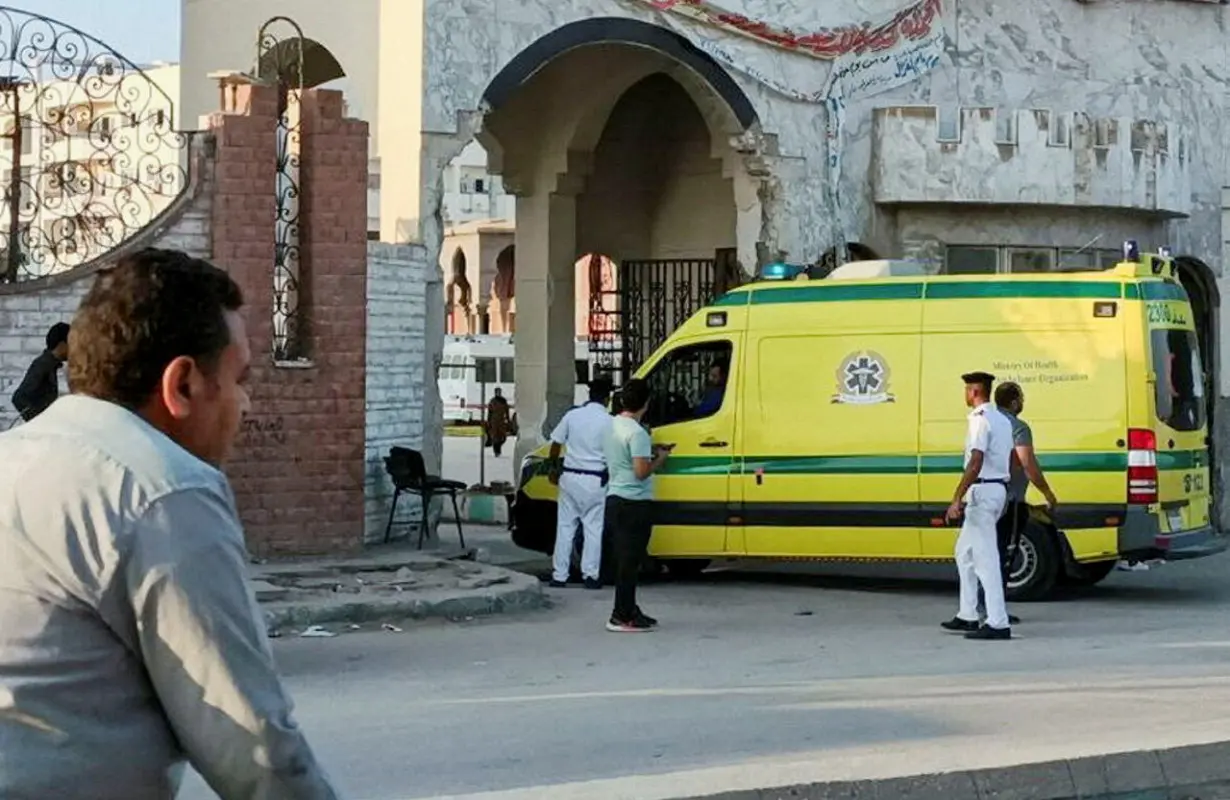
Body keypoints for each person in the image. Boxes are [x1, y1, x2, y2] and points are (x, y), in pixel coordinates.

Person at [0, 248, 338, 799]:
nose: (246, 403)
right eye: (240, 378)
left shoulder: (15, 456)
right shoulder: (164, 489)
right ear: (182, 385)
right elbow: (252, 748)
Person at [941, 371, 1015, 641]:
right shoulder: (1002, 420)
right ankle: (968, 614)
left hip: (982, 491)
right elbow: (1011, 458)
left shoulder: (979, 421)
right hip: (995, 489)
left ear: (973, 392)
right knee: (964, 553)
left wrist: (956, 497)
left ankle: (997, 622)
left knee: (985, 560)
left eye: (966, 390)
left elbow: (975, 461)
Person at [603, 378, 672, 632]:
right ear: (646, 402)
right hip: (635, 503)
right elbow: (641, 472)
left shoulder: (613, 426)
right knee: (629, 563)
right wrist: (660, 458)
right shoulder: (637, 432)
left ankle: (629, 609)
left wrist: (647, 449)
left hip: (615, 498)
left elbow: (623, 455)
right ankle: (621, 615)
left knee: (625, 560)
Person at [987, 381, 1059, 622]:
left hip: (986, 499)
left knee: (986, 553)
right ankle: (995, 611)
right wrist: (1047, 492)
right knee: (1004, 555)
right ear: (1015, 402)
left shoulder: (986, 423)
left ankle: (982, 607)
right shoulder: (1018, 427)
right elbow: (1027, 463)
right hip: (1011, 501)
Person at [547, 378, 615, 589]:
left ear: (589, 395)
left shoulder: (572, 416)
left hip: (570, 477)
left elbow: (556, 444)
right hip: (595, 479)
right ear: (607, 398)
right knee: (593, 529)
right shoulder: (610, 421)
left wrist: (553, 468)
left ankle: (559, 576)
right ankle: (590, 576)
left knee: (565, 528)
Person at [11, 321, 70, 422]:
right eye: (72, 343)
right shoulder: (43, 364)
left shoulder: (50, 365)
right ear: (62, 344)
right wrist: (38, 422)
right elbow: (19, 397)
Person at [485, 387, 512, 457]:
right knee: (495, 437)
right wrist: (488, 422)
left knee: (503, 437)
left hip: (501, 421)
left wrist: (508, 420)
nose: (498, 393)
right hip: (494, 421)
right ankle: (496, 451)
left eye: (499, 392)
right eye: (497, 392)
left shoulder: (503, 401)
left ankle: (498, 447)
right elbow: (489, 412)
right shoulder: (492, 401)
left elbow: (507, 411)